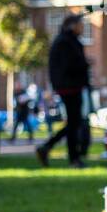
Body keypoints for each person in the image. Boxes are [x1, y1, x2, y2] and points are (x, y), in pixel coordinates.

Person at [37, 14, 91, 167]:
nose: (82, 28)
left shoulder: (67, 41)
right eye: (80, 25)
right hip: (70, 87)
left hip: (71, 86)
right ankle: (72, 157)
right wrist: (85, 64)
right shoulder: (65, 42)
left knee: (74, 123)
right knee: (74, 123)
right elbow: (69, 65)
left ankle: (48, 147)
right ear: (72, 25)